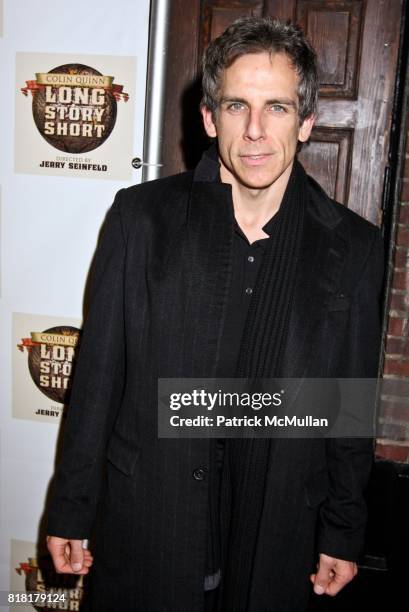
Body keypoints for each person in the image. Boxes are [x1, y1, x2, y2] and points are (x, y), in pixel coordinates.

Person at [46, 16, 384, 612]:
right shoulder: (140, 220)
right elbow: (98, 379)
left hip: (275, 534)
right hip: (150, 524)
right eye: (236, 106)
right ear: (209, 117)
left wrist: (343, 527)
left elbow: (345, 405)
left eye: (277, 108)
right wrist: (72, 506)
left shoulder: (352, 246)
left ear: (306, 122)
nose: (255, 131)